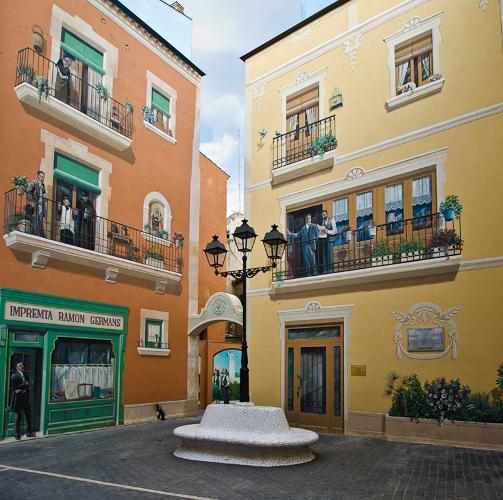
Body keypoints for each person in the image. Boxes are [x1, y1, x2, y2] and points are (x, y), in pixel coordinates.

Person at [10, 360, 34, 440]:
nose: (22, 366)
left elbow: (28, 385)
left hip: (26, 398)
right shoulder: (14, 375)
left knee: (28, 416)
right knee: (17, 417)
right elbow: (15, 387)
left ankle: (29, 432)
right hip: (18, 399)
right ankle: (17, 434)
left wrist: (21, 387)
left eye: (22, 365)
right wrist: (24, 385)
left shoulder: (26, 375)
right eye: (20, 365)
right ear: (16, 368)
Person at [26, 171, 47, 237]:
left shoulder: (43, 185)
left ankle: (38, 233)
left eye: (43, 177)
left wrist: (45, 196)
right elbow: (28, 191)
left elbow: (43, 194)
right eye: (41, 177)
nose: (42, 178)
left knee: (40, 220)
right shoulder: (34, 182)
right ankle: (33, 233)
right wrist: (31, 201)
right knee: (34, 218)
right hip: (35, 204)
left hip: (41, 205)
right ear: (38, 176)